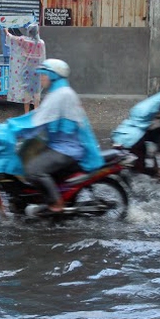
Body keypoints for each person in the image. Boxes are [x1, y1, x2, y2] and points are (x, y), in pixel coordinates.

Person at [13, 58, 104, 214]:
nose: (41, 78)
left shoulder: (61, 95)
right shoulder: (58, 92)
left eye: (44, 75)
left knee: (33, 170)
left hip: (67, 149)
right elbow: (41, 118)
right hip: (60, 145)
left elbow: (37, 121)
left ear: (53, 76)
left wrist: (12, 129)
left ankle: (56, 203)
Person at [3, 23, 46, 114]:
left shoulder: (24, 41)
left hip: (27, 71)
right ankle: (36, 114)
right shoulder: (41, 43)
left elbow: (10, 37)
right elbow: (42, 58)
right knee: (36, 95)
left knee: (27, 94)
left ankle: (26, 114)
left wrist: (6, 29)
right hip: (37, 72)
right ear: (37, 31)